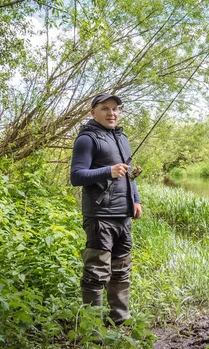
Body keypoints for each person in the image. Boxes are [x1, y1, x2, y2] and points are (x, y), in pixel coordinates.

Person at [70, 93, 142, 326]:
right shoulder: (87, 139)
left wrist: (136, 199)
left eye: (115, 109)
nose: (112, 113)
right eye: (105, 108)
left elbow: (128, 173)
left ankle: (120, 320)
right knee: (96, 275)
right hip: (100, 217)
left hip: (124, 215)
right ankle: (92, 330)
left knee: (122, 270)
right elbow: (76, 176)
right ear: (93, 112)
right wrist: (107, 171)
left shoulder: (121, 138)